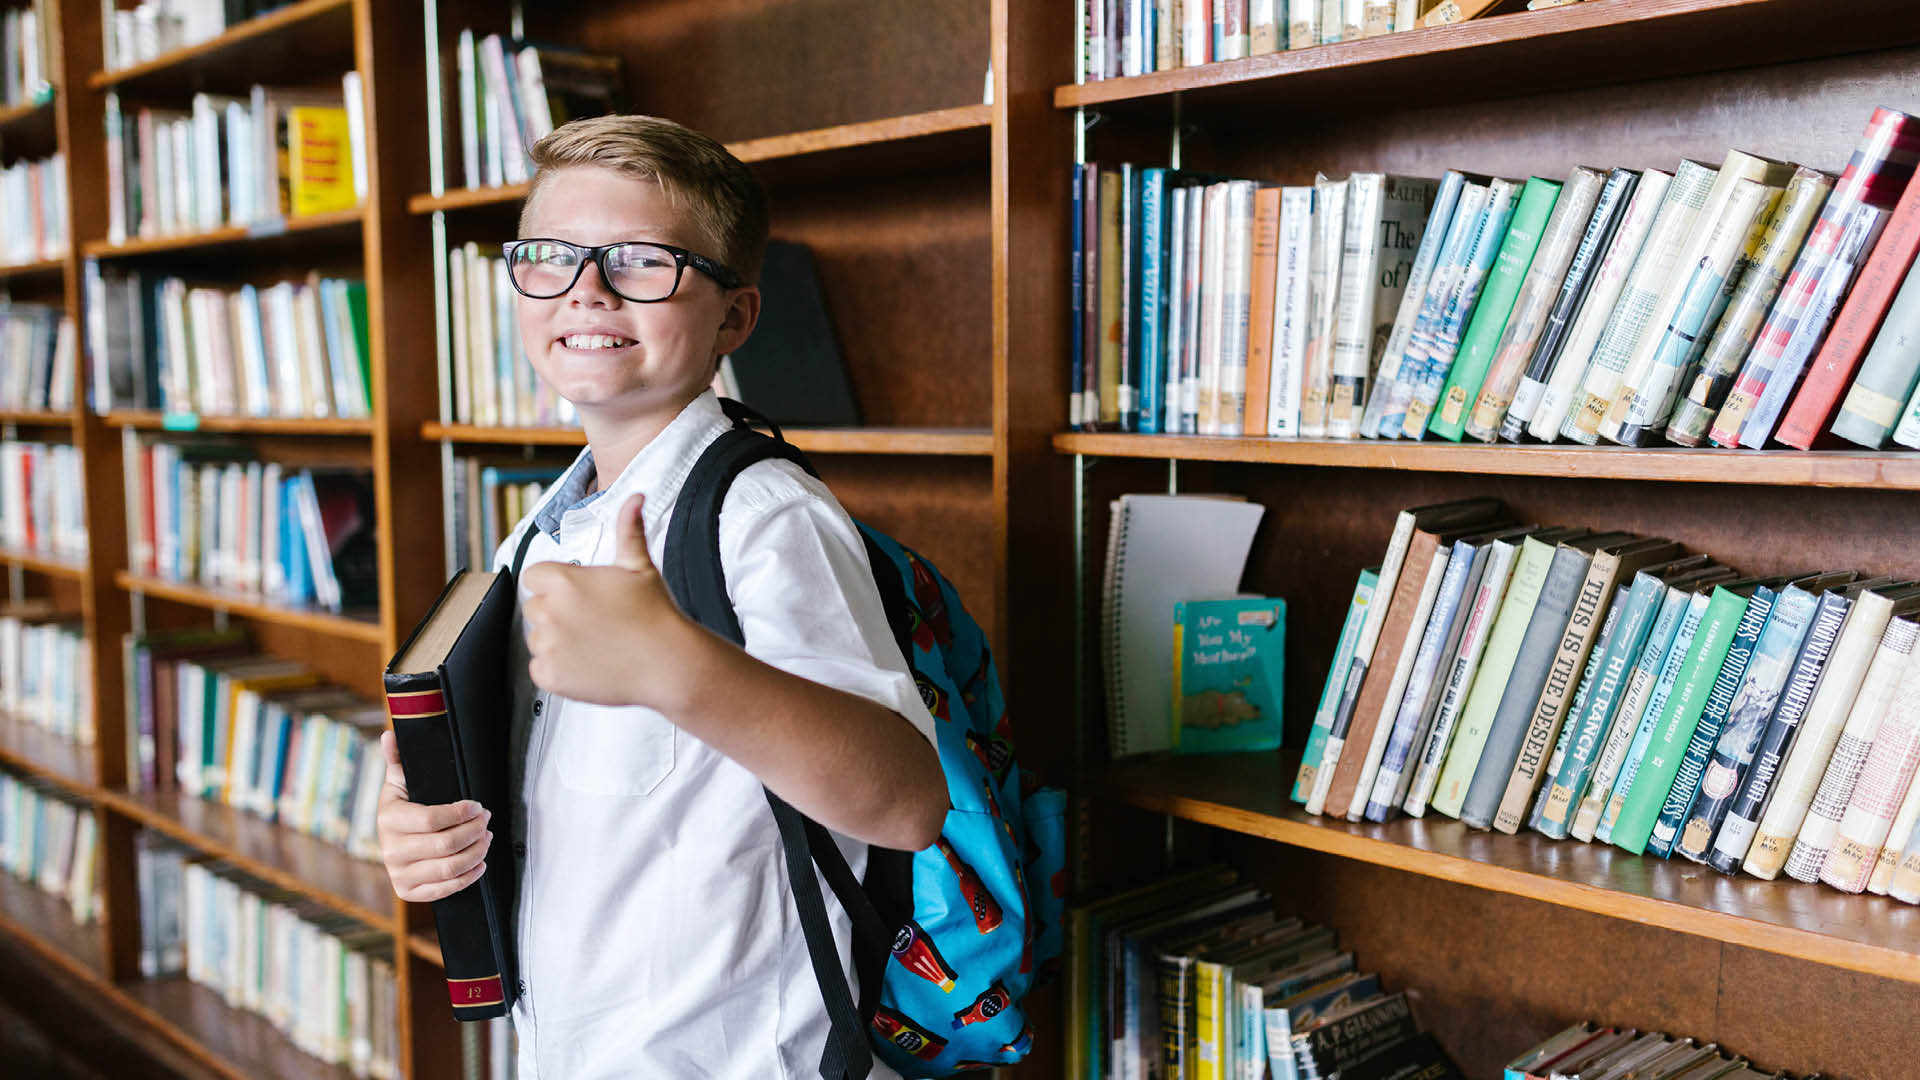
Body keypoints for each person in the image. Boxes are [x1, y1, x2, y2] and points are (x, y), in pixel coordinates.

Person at [373, 114, 948, 1080]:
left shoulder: (764, 517)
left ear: (734, 317)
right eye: (551, 254)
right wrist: (411, 823)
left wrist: (677, 667)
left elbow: (905, 801)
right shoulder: (543, 527)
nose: (586, 289)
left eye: (642, 261)